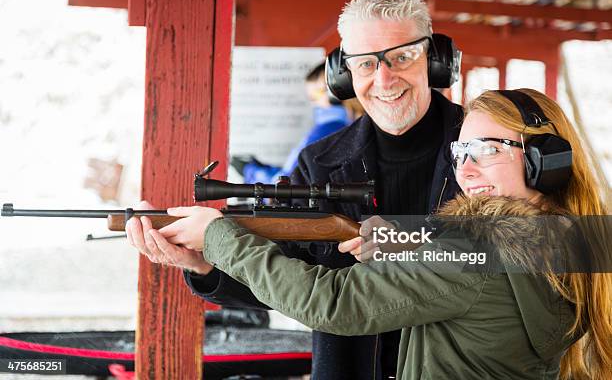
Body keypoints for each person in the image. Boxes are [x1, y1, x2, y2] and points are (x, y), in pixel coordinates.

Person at [128, 89, 612, 379]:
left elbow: (330, 304)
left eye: (486, 149)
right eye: (461, 150)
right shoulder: (567, 240)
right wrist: (405, 242)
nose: (465, 167)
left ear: (542, 161)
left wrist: (220, 238)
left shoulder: (471, 254)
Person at [128, 0, 464, 379]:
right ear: (343, 74)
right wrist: (205, 264)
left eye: (402, 57)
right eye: (365, 64)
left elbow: (538, 248)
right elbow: (285, 279)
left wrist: (408, 239)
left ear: (437, 60)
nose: (384, 79)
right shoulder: (321, 161)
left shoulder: (488, 149)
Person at [234, 62, 352, 184]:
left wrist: (250, 171)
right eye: (312, 98)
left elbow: (287, 184)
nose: (315, 103)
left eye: (318, 93)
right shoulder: (342, 125)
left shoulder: (328, 129)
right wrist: (264, 169)